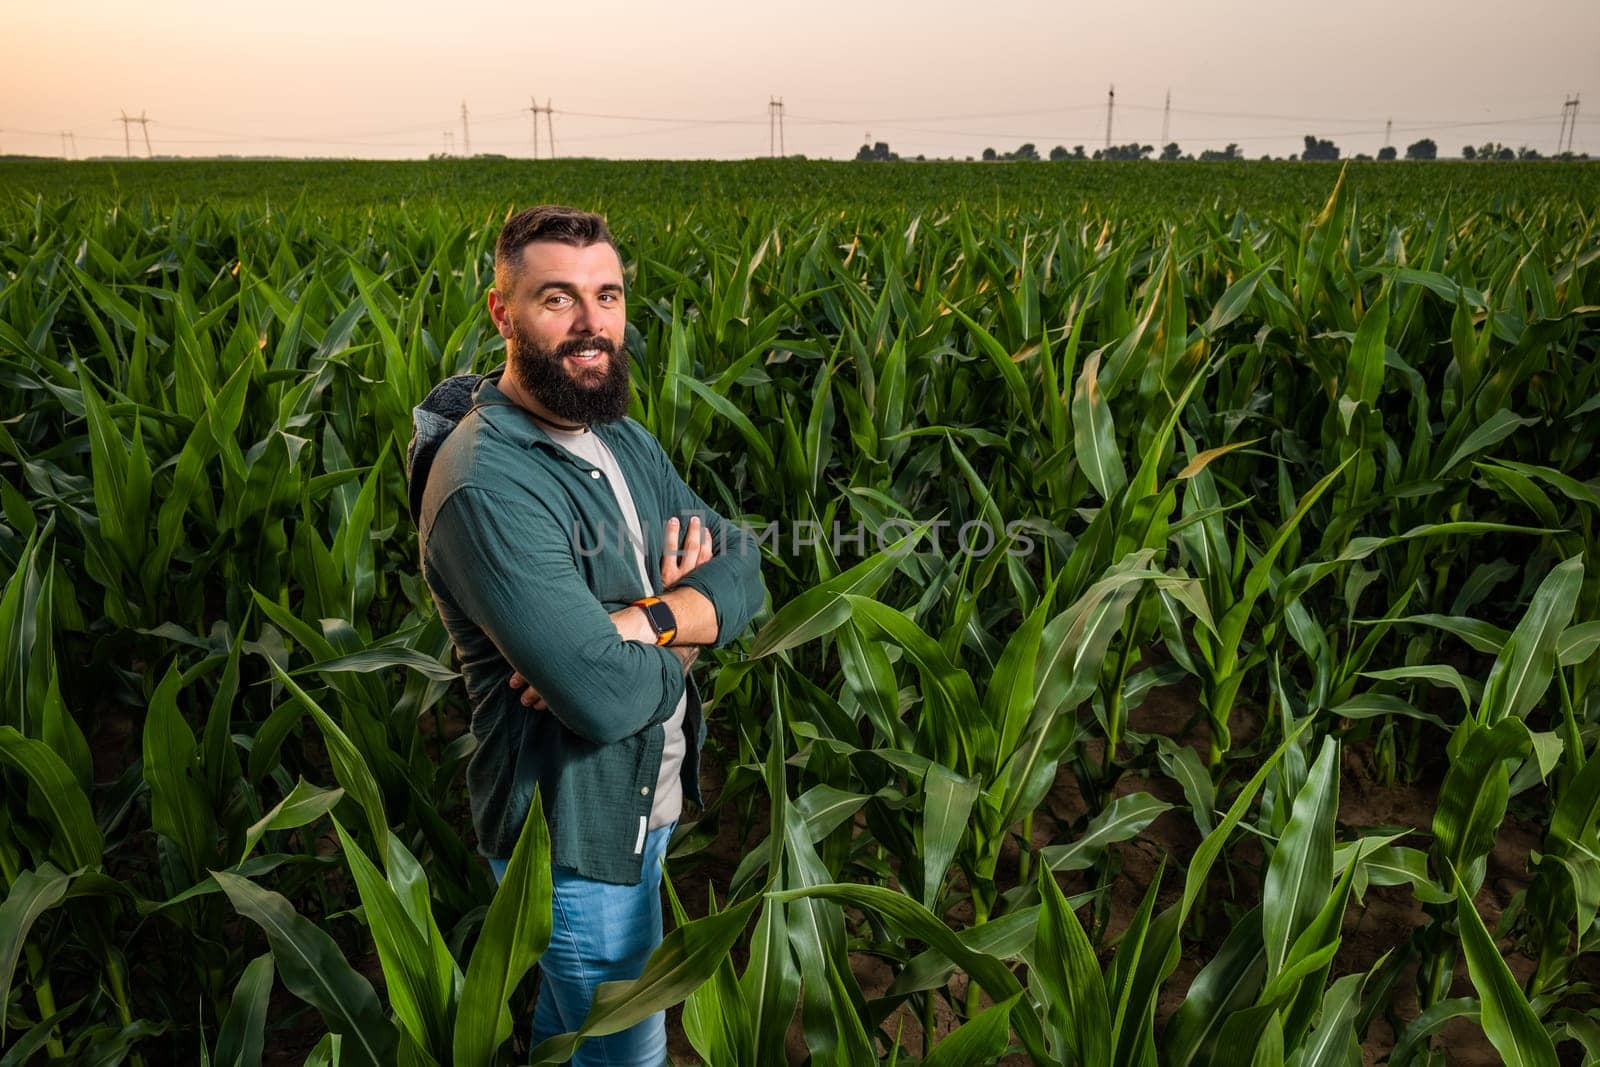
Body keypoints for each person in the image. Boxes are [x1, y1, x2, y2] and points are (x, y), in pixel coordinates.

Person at [410, 204, 765, 1064]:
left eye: (606, 296)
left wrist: (641, 622)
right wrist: (686, 633)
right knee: (622, 1053)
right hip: (572, 844)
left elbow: (748, 566)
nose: (591, 324)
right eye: (557, 298)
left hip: (640, 811)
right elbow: (603, 699)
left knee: (573, 1045)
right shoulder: (486, 482)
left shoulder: (617, 434)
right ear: (502, 313)